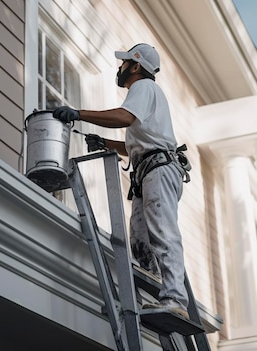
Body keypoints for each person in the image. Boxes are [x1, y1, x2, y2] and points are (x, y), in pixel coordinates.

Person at [52, 43, 190, 319]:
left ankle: (175, 299)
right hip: (149, 170)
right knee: (141, 241)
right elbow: (135, 145)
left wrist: (78, 113)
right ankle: (158, 296)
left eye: (124, 63)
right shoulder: (147, 98)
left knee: (162, 231)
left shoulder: (143, 88)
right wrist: (104, 142)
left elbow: (124, 117)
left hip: (158, 171)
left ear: (135, 66)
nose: (120, 67)